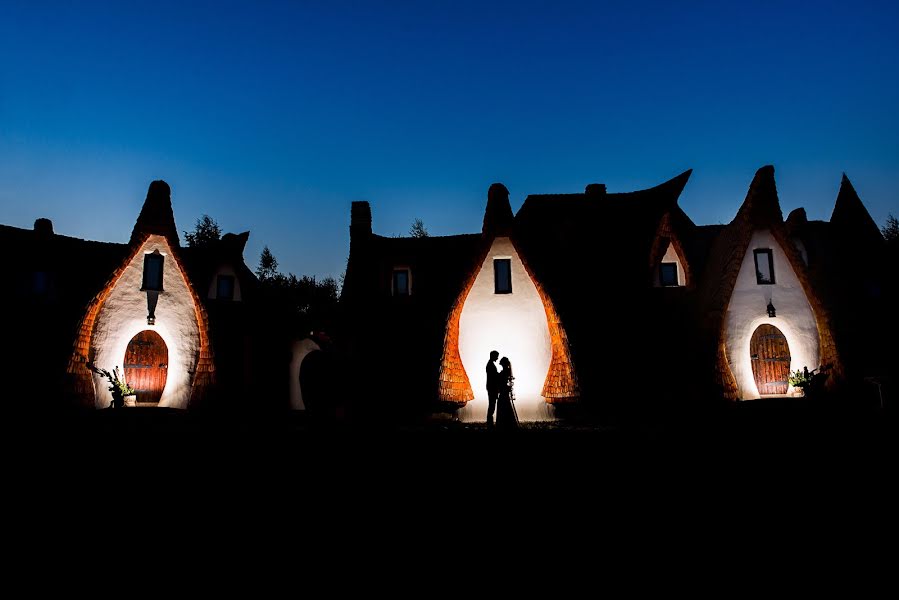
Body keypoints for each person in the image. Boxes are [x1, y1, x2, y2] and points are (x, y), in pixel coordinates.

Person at [496, 356, 518, 430]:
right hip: (504, 391)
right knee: (506, 406)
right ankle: (508, 424)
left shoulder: (504, 372)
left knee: (503, 406)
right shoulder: (507, 371)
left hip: (503, 391)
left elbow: (501, 381)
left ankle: (503, 424)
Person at [485, 350, 500, 425]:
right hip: (492, 387)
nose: (497, 358)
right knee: (492, 404)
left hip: (491, 387)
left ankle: (489, 421)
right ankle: (489, 422)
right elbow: (494, 376)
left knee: (492, 404)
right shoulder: (490, 365)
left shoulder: (490, 364)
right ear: (493, 356)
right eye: (497, 356)